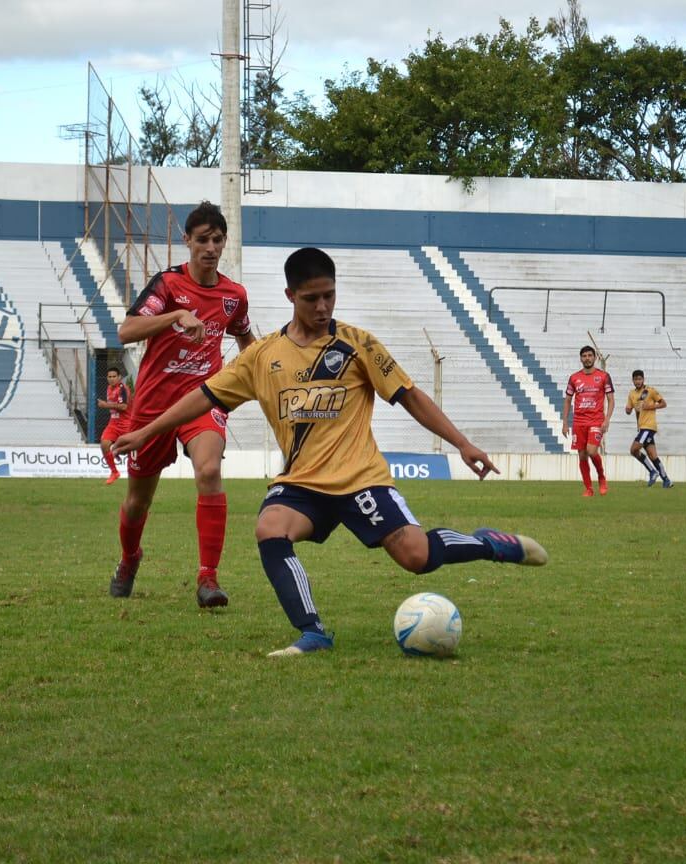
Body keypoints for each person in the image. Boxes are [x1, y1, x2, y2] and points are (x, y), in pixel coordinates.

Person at [115, 247, 547, 656]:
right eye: (311, 299)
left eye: (329, 296)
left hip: (361, 479)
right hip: (302, 483)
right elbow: (205, 396)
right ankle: (313, 632)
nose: (322, 307)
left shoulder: (358, 344)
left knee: (417, 557)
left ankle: (488, 544)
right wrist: (146, 431)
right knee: (270, 527)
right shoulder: (263, 356)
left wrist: (462, 443)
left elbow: (410, 396)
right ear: (290, 297)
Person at [109, 201, 256, 606]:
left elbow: (246, 341)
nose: (210, 247)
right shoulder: (168, 285)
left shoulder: (233, 295)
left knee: (209, 470)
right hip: (153, 406)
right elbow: (127, 330)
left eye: (217, 239)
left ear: (224, 243)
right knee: (138, 502)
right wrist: (176, 315)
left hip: (203, 400)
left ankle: (208, 578)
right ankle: (129, 558)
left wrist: (256, 373)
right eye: (202, 239)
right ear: (187, 241)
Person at [561, 346, 614, 497]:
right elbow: (567, 401)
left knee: (591, 451)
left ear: (595, 357)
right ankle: (588, 489)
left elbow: (611, 400)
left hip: (596, 420)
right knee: (582, 455)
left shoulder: (603, 376)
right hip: (578, 421)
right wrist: (565, 423)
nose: (587, 358)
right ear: (580, 358)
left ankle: (601, 477)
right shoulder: (574, 378)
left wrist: (607, 419)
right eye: (584, 356)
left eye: (590, 355)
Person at [624, 369, 673, 488]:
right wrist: (628, 410)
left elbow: (663, 404)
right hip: (642, 428)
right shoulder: (632, 394)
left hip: (649, 427)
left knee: (633, 450)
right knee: (652, 455)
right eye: (635, 379)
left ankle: (652, 471)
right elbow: (631, 411)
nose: (638, 381)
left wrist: (650, 406)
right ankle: (666, 480)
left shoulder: (650, 391)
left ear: (643, 379)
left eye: (640, 379)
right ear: (633, 380)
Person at [97, 367, 131, 485]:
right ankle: (114, 472)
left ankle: (117, 450)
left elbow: (124, 407)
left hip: (125, 424)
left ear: (119, 377)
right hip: (113, 423)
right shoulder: (108, 388)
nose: (111, 379)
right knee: (104, 445)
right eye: (109, 377)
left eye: (114, 376)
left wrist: (106, 405)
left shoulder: (122, 389)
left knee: (130, 449)